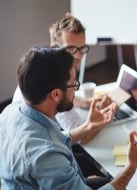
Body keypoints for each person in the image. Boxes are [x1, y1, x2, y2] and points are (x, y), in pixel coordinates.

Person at [0, 47, 137, 190]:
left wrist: (89, 126)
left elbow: (50, 139)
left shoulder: (11, 111)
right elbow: (47, 151)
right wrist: (131, 165)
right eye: (74, 85)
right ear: (56, 94)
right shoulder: (47, 157)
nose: (75, 92)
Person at [12, 13, 114, 144]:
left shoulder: (40, 67)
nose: (78, 56)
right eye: (71, 48)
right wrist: (104, 120)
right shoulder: (55, 80)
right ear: (55, 46)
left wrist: (87, 103)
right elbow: (79, 138)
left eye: (82, 48)